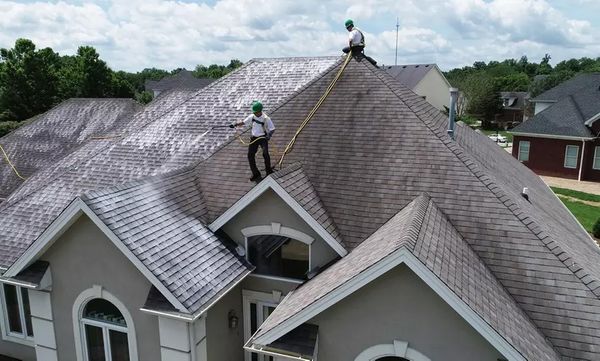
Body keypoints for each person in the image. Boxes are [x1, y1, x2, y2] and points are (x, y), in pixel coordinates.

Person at [230, 101, 275, 182]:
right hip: (254, 138)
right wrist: (235, 124)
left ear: (260, 111)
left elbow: (272, 129)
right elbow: (243, 122)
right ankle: (256, 173)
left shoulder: (266, 118)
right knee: (250, 156)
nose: (255, 113)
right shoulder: (252, 116)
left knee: (265, 154)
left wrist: (269, 135)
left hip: (262, 138)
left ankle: (269, 171)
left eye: (256, 112)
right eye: (254, 112)